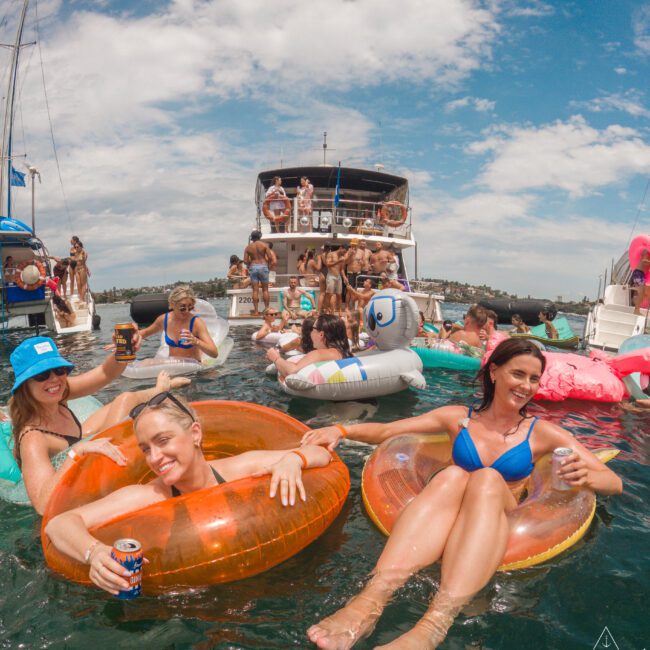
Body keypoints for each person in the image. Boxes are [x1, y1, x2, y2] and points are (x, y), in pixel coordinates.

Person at [303, 338, 622, 649]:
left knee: (484, 478)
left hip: (499, 511)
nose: (526, 385)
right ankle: (369, 601)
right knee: (454, 475)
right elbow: (389, 431)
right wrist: (341, 430)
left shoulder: (542, 433)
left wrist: (587, 476)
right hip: (449, 506)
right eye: (518, 374)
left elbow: (613, 481)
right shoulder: (459, 418)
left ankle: (434, 625)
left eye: (534, 379)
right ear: (494, 372)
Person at [43, 393, 332, 595]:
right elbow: (59, 523)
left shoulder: (237, 469)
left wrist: (294, 459)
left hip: (271, 581)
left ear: (195, 434)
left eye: (163, 441)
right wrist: (95, 553)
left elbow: (322, 454)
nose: (155, 457)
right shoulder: (150, 495)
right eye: (145, 449)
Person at [7, 335, 191, 514]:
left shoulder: (57, 393)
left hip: (79, 445)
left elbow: (104, 373)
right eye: (42, 375)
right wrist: (76, 453)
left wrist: (123, 350)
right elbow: (43, 505)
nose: (54, 379)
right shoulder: (32, 438)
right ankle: (159, 391)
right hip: (69, 484)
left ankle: (159, 390)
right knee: (125, 402)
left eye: (59, 370)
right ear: (25, 385)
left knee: (124, 398)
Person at [138, 286, 218, 362]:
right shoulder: (164, 319)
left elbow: (214, 353)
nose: (187, 311)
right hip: (174, 367)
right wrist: (130, 338)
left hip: (193, 371)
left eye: (190, 307)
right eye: (182, 307)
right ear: (173, 304)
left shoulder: (196, 323)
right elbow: (145, 332)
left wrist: (196, 341)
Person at [266, 314, 352, 380]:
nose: (311, 332)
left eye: (313, 329)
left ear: (321, 334)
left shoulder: (319, 354)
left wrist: (275, 358)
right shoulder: (345, 352)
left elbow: (291, 372)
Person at [244, 230, 273, 315]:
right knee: (265, 290)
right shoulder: (264, 245)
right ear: (259, 237)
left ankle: (256, 311)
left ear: (252, 237)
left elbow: (245, 261)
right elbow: (270, 257)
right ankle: (267, 310)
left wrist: (251, 265)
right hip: (263, 266)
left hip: (253, 267)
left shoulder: (248, 247)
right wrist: (267, 264)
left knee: (255, 291)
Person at [324, 245, 347, 314]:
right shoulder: (331, 254)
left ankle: (339, 310)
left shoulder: (343, 257)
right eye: (344, 251)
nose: (344, 253)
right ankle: (327, 309)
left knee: (339, 295)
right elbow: (327, 264)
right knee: (329, 294)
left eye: (345, 252)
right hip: (331, 275)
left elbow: (342, 269)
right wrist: (338, 261)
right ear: (340, 248)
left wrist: (344, 277)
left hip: (338, 276)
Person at [631, 248, 650, 314]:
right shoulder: (645, 252)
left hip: (641, 275)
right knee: (641, 293)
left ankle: (636, 301)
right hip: (638, 274)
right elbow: (643, 260)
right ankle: (636, 310)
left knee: (646, 293)